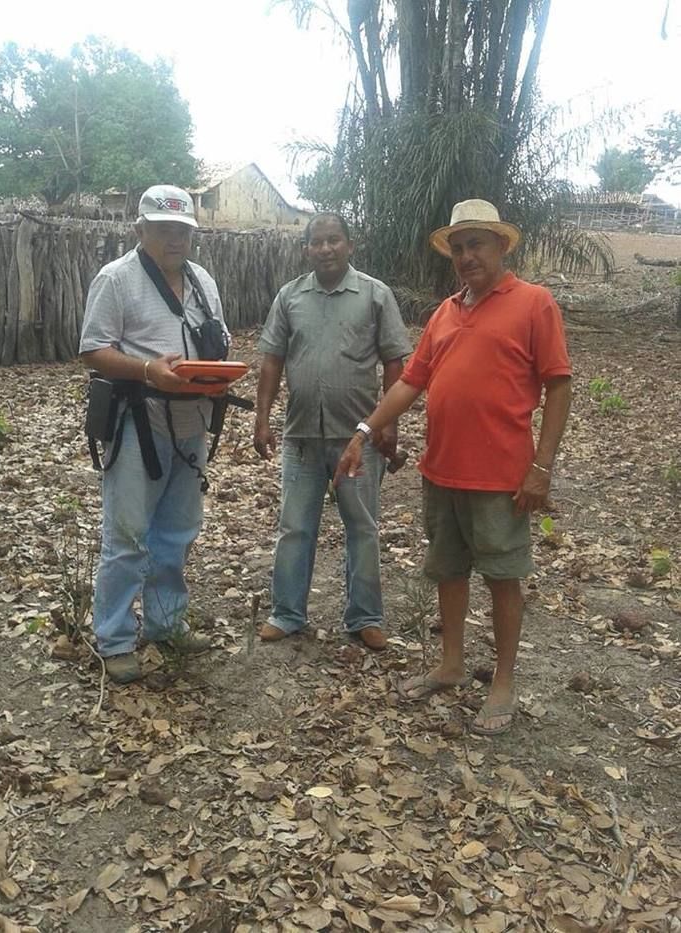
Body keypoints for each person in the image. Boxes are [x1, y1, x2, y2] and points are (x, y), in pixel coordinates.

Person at [334, 199, 572, 733]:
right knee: (449, 570)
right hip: (441, 469)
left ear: (501, 246)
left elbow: (558, 383)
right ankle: (451, 664)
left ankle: (504, 681)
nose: (467, 256)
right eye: (459, 248)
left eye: (477, 244)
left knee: (503, 576)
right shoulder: (445, 312)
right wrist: (365, 432)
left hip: (501, 475)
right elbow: (411, 381)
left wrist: (543, 466)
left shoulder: (534, 303)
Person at [79, 185, 230, 684]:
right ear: (140, 229)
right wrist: (146, 369)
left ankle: (166, 622)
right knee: (126, 537)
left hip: (192, 423)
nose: (175, 238)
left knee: (177, 534)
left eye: (182, 229)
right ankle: (116, 638)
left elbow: (218, 338)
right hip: (136, 423)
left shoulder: (203, 280)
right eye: (164, 229)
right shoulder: (117, 278)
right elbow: (93, 349)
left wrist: (216, 374)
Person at [254, 213, 412, 650]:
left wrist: (389, 424)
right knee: (295, 527)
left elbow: (395, 361)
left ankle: (365, 617)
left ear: (350, 245)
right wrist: (262, 417)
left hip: (358, 439)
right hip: (301, 436)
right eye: (316, 242)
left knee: (362, 527)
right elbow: (272, 360)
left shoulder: (375, 295)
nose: (325, 249)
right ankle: (286, 613)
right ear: (306, 249)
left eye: (333, 240)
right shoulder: (290, 297)